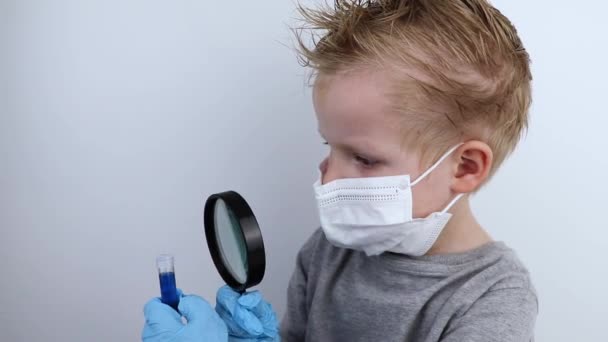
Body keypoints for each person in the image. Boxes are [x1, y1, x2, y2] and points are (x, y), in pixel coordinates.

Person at [142, 0, 538, 341]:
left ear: (465, 167)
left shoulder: (494, 296)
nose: (328, 179)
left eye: (364, 159)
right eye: (329, 146)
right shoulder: (328, 251)